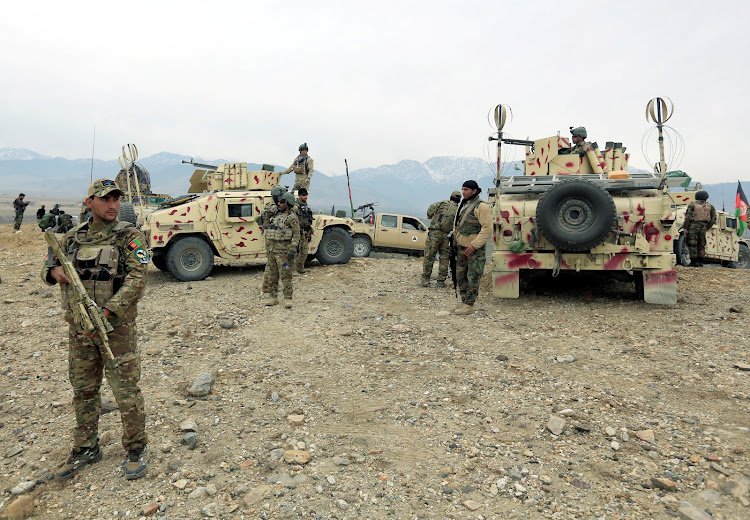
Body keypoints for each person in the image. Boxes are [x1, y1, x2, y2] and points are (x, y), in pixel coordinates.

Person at [42, 178, 149, 481]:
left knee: (125, 390)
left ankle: (136, 447)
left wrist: (109, 310)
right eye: (106, 199)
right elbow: (47, 267)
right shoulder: (71, 239)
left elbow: (138, 278)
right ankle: (86, 448)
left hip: (116, 330)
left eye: (116, 199)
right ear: (90, 203)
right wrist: (53, 271)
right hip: (80, 331)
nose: (113, 205)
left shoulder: (129, 236)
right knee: (84, 391)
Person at [452, 180, 492, 315]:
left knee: (473, 276)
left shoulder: (481, 207)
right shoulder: (464, 204)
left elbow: (487, 228)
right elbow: (458, 224)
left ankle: (469, 304)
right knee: (460, 275)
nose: (463, 192)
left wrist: (474, 245)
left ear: (474, 191)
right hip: (462, 246)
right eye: (462, 189)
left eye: (466, 190)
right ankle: (464, 301)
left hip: (474, 249)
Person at [263, 192, 300, 308]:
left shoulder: (291, 218)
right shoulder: (274, 216)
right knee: (272, 276)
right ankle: (273, 297)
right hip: (272, 252)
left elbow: (297, 234)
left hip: (284, 254)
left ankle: (288, 298)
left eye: (282, 202)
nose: (279, 204)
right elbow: (263, 222)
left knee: (286, 275)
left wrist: (293, 247)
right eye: (278, 201)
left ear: (288, 204)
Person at [421, 191, 461, 287]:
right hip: (447, 235)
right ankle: (440, 281)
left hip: (434, 233)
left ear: (450, 197)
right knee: (444, 258)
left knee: (429, 256)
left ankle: (426, 279)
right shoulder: (459, 210)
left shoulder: (442, 203)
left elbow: (430, 212)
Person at [258, 185, 288, 293]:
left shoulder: (272, 206)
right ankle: (267, 286)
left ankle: (266, 286)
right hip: (272, 239)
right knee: (274, 263)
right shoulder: (273, 207)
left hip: (273, 237)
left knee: (271, 263)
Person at [682, 190, 716, 267]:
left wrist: (685, 228)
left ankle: (694, 262)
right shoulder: (710, 206)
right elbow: (714, 218)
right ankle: (700, 262)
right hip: (703, 227)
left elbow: (688, 217)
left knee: (692, 243)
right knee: (701, 244)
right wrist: (707, 226)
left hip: (693, 226)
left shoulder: (692, 205)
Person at [293, 187, 314, 274]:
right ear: (299, 195)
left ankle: (300, 268)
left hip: (305, 232)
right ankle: (293, 270)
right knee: (295, 252)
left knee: (304, 251)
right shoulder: (296, 206)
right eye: (304, 195)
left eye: (306, 195)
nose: (305, 197)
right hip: (298, 232)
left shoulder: (305, 205)